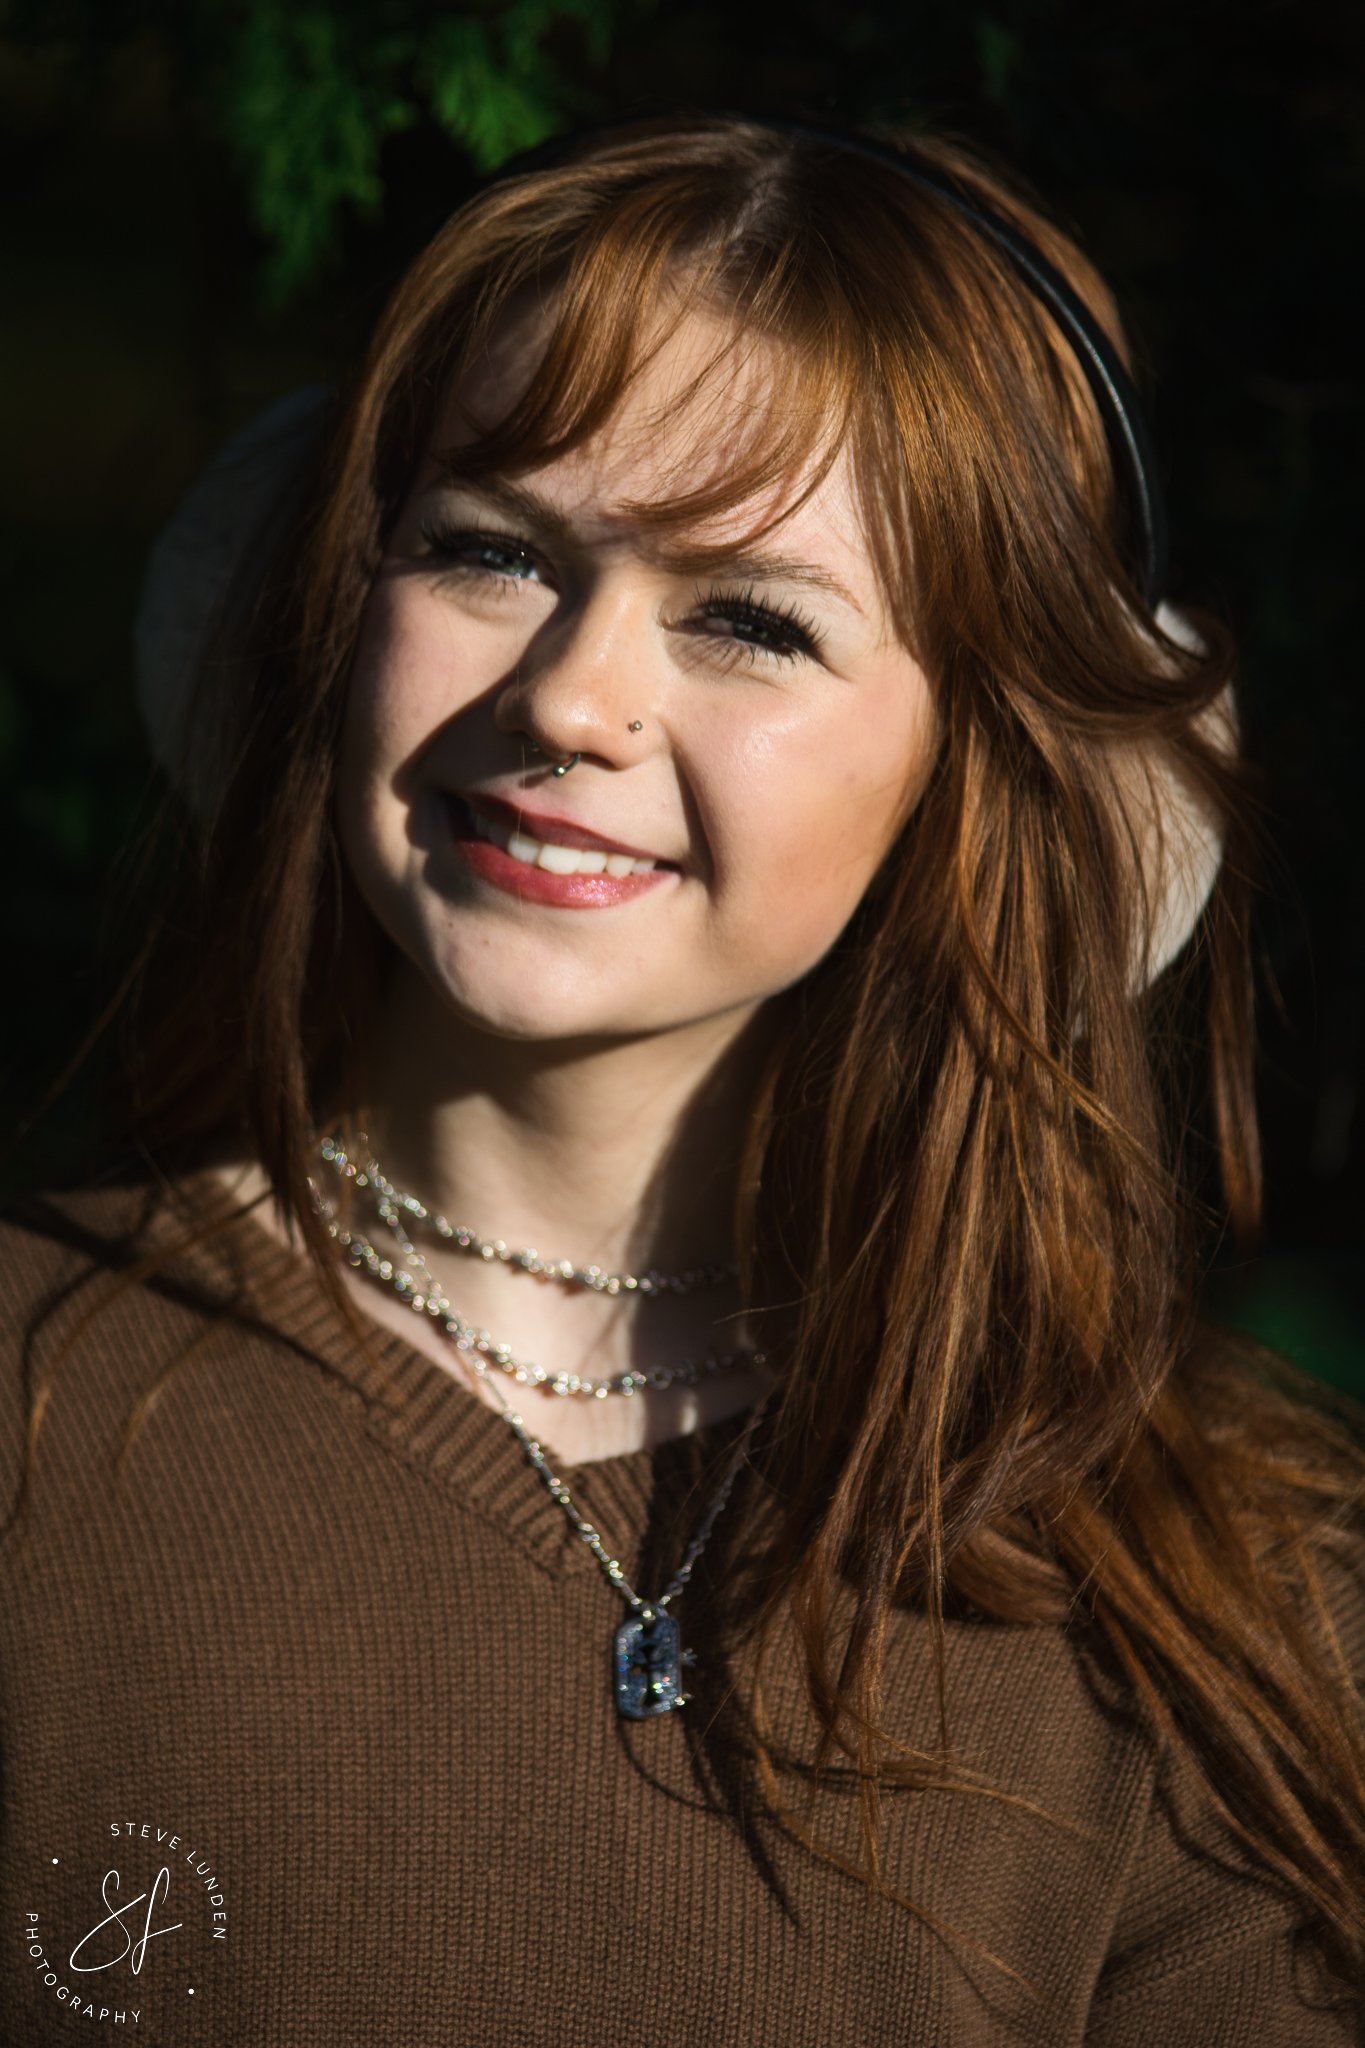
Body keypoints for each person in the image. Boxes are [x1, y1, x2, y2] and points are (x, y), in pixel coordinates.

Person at [2, 113, 1362, 2045]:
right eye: (490, 551)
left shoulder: (1234, 1601)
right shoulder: (38, 1416)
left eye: (747, 618)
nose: (571, 698)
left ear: (971, 771)